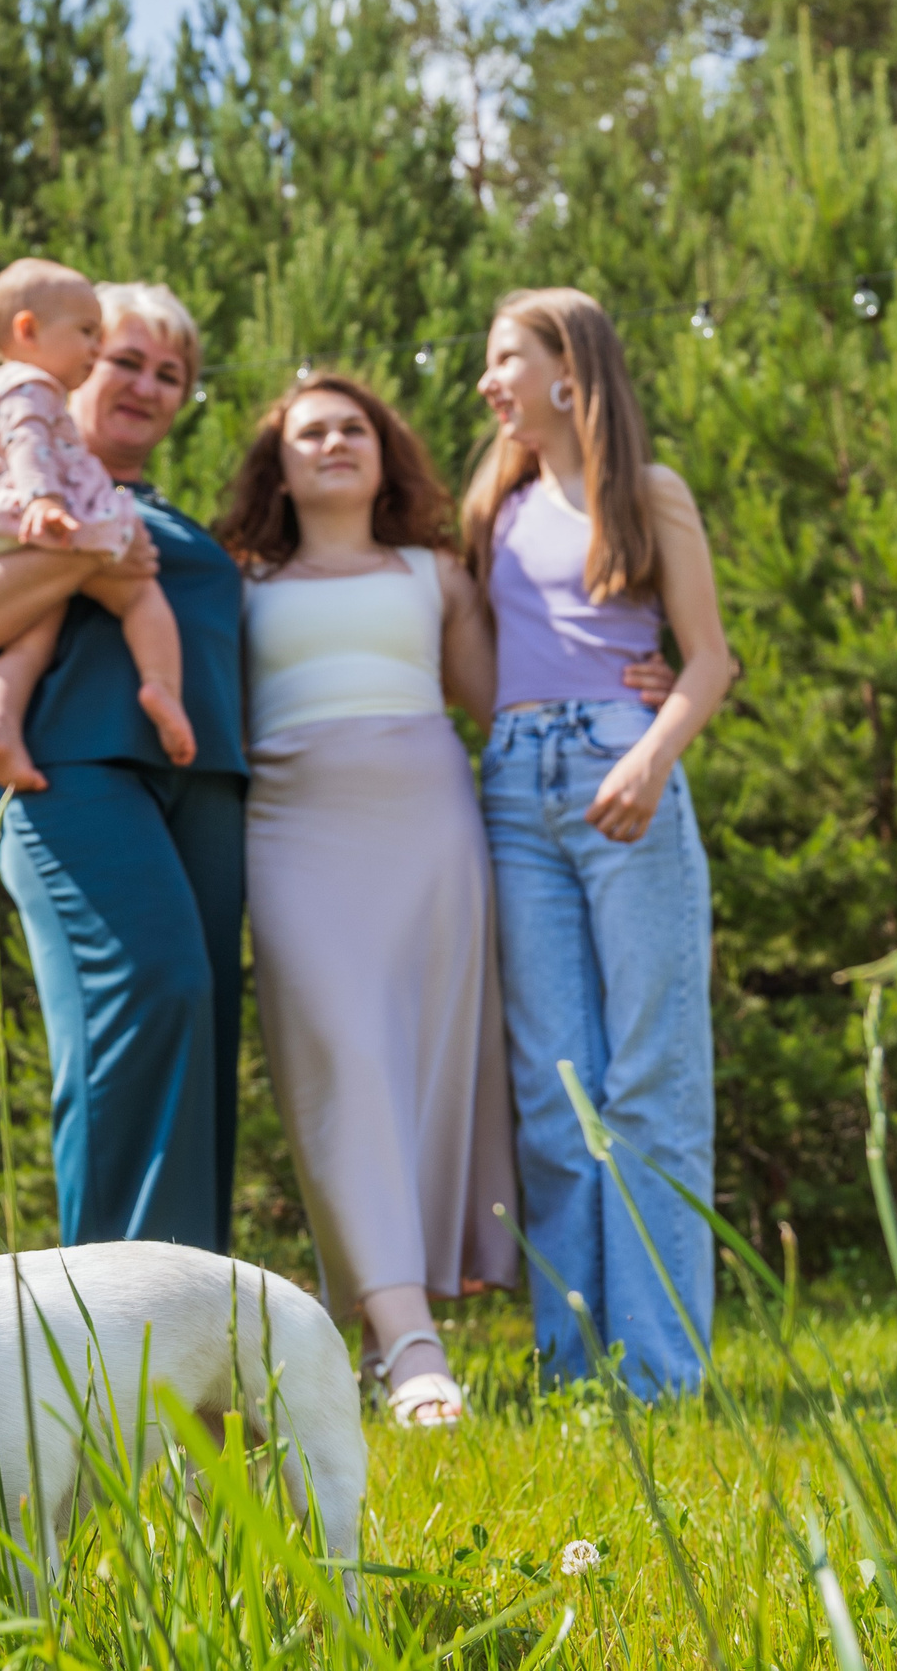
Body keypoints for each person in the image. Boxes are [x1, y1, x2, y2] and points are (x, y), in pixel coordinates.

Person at [0, 283, 245, 1250]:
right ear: (73, 363)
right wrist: (97, 551)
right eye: (124, 360)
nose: (145, 384)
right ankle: (113, 1323)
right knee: (145, 993)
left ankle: (198, 1317)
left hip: (203, 783)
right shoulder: (13, 487)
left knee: (201, 1029)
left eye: (170, 374)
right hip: (65, 769)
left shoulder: (168, 517)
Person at [216, 375, 517, 1429]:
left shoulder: (439, 574)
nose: (335, 441)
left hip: (431, 838)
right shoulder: (242, 582)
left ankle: (390, 1331)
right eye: (312, 431)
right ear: (279, 465)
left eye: (355, 428)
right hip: (294, 839)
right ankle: (416, 1348)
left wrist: (647, 680)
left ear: (385, 453)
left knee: (418, 1079)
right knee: (341, 1067)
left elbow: (506, 706)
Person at [464, 287, 735, 1398]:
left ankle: (660, 1375)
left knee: (647, 1077)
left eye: (505, 359)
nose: (488, 382)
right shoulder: (498, 500)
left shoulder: (649, 492)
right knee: (553, 1092)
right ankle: (574, 1372)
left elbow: (709, 659)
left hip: (621, 772)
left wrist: (651, 756)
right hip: (513, 784)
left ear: (568, 369)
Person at [0, 258, 195, 790]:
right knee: (140, 593)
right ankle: (162, 686)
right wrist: (51, 508)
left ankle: (0, 722)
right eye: (103, 346)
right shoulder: (33, 394)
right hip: (78, 771)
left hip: (9, 528)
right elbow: (27, 444)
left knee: (32, 638)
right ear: (29, 330)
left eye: (169, 375)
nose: (145, 387)